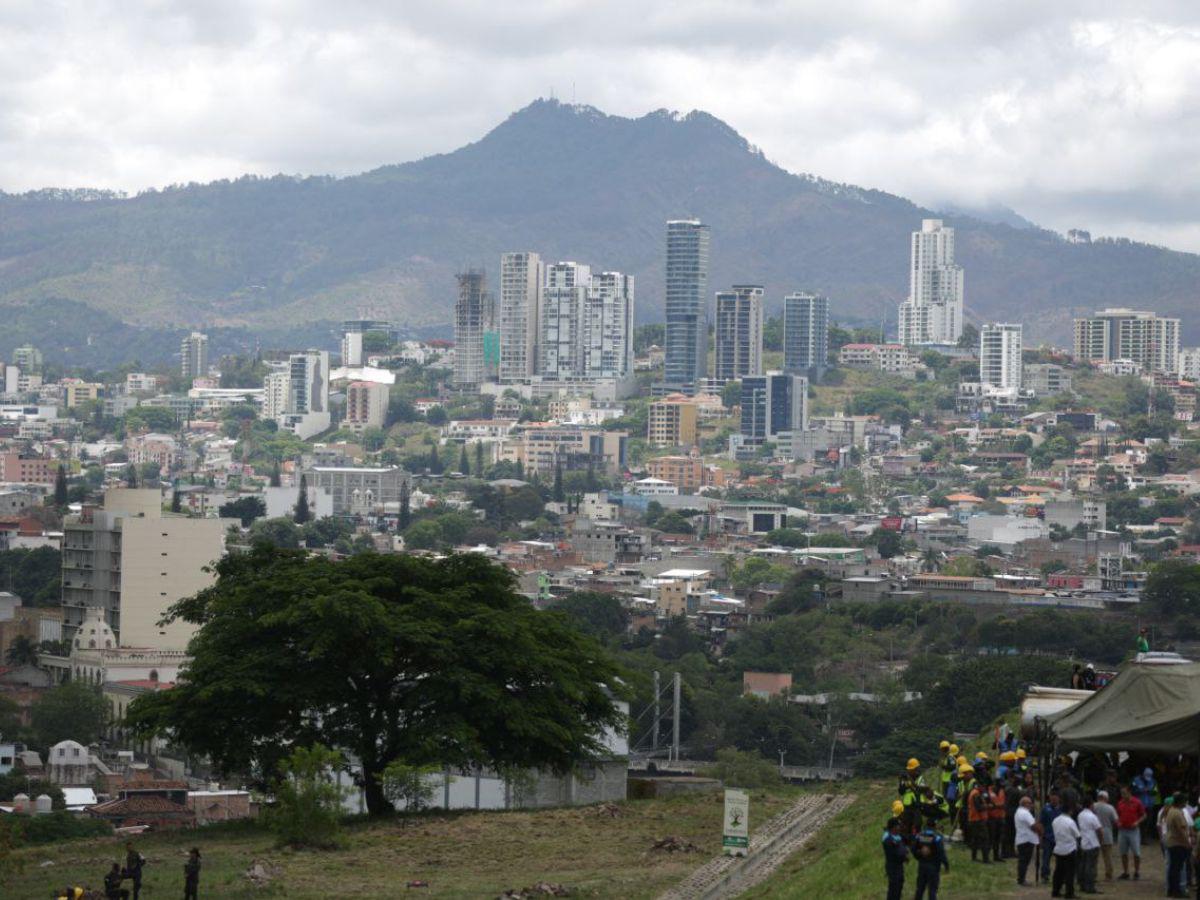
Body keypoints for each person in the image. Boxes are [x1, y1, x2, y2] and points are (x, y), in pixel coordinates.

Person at [912, 821, 950, 900]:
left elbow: (913, 849)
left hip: (922, 865)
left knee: (920, 888)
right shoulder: (937, 837)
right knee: (932, 890)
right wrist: (946, 865)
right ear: (935, 826)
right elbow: (941, 853)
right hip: (934, 866)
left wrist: (919, 857)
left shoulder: (919, 836)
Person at [1164, 792, 1191, 898]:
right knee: (1177, 868)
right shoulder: (1177, 813)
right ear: (1181, 802)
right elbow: (1181, 830)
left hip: (1172, 842)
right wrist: (1187, 843)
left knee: (1173, 868)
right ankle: (1176, 891)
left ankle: (1171, 890)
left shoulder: (1171, 810)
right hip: (1178, 843)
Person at [1116, 783, 1145, 880]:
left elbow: (1144, 815)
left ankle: (1136, 871)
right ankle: (1126, 872)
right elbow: (1118, 816)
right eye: (1121, 793)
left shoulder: (1137, 802)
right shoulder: (1120, 803)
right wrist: (1118, 822)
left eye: (1124, 793)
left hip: (1133, 830)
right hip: (1123, 830)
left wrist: (1137, 822)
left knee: (1136, 852)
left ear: (1129, 792)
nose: (1123, 795)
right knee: (1123, 852)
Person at [1052, 808, 1082, 898]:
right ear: (1070, 811)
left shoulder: (1055, 820)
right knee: (1070, 872)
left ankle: (1055, 891)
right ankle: (1069, 892)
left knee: (1058, 871)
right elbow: (1077, 835)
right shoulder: (1070, 821)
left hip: (1058, 848)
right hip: (1070, 849)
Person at [1077, 795, 1103, 895]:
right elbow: (1099, 830)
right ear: (1091, 805)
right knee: (1091, 866)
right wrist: (1100, 841)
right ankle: (1090, 886)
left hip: (1084, 842)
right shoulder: (1092, 816)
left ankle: (1082, 884)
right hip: (1092, 843)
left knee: (1083, 865)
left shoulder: (1080, 815)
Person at [1014, 795, 1041, 886]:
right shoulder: (1025, 813)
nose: (1031, 805)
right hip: (1027, 839)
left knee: (1023, 860)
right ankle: (1021, 879)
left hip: (1022, 838)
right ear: (1025, 804)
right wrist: (1040, 831)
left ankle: (1021, 878)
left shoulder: (1019, 812)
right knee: (1024, 861)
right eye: (1029, 803)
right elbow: (1033, 825)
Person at [881, 816, 908, 900]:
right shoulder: (888, 839)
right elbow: (896, 853)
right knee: (894, 888)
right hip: (893, 867)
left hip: (899, 865)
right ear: (893, 827)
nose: (900, 827)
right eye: (898, 826)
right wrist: (904, 853)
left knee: (900, 884)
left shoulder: (897, 835)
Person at [1094, 789, 1118, 882]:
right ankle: (1109, 874)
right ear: (1106, 798)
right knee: (1108, 856)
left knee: (1094, 856)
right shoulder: (1110, 808)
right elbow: (1116, 821)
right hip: (1107, 832)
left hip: (1095, 833)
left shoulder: (1093, 806)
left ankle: (1093, 873)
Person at [967, 776, 992, 863]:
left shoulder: (975, 792)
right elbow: (978, 807)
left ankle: (974, 857)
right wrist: (987, 806)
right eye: (983, 787)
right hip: (977, 820)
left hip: (974, 819)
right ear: (979, 786)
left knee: (976, 839)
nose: (984, 789)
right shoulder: (976, 794)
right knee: (984, 839)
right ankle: (986, 859)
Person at [1041, 790, 1062, 883]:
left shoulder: (1061, 809)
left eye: (1056, 797)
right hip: (1048, 837)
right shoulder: (1045, 809)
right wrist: (1041, 836)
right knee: (1046, 857)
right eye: (1052, 797)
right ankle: (1045, 875)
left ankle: (1059, 876)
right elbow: (1041, 823)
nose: (1054, 799)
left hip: (1059, 837)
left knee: (1060, 858)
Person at [988, 778, 1007, 861]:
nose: (1001, 787)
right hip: (991, 818)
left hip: (1000, 817)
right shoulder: (988, 792)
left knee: (998, 838)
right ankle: (987, 856)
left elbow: (1004, 802)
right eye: (999, 786)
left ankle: (996, 856)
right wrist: (997, 805)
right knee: (991, 838)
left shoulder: (1002, 791)